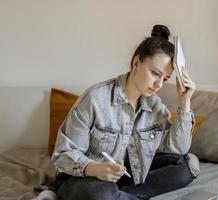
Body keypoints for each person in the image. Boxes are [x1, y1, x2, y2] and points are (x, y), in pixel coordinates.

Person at [52, 24, 200, 200]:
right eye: (155, 73)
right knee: (101, 192)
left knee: (187, 165)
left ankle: (119, 196)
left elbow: (177, 149)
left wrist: (185, 101)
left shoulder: (155, 106)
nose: (159, 84)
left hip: (126, 177)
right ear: (136, 63)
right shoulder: (95, 99)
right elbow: (63, 155)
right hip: (83, 178)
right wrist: (96, 169)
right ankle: (116, 195)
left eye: (165, 78)